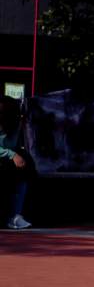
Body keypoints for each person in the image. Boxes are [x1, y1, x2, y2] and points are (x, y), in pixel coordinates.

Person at [0, 96, 33, 230]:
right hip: (4, 158)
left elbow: (15, 146)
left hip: (6, 163)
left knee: (25, 165)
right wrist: (11, 154)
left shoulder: (15, 125)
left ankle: (15, 216)